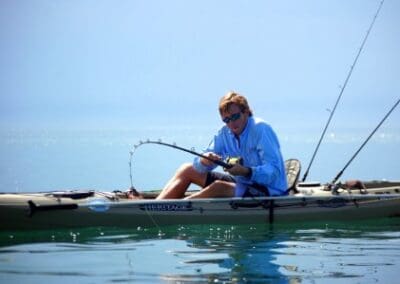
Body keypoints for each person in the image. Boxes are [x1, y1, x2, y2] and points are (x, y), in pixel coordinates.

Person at [156, 91, 287, 199]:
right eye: (226, 120)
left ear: (246, 111)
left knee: (219, 187)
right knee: (186, 169)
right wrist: (205, 160)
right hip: (243, 184)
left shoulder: (261, 129)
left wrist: (246, 171)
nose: (231, 124)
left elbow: (274, 171)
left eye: (235, 117)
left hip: (269, 191)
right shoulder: (224, 133)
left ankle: (177, 208)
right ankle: (155, 205)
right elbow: (200, 166)